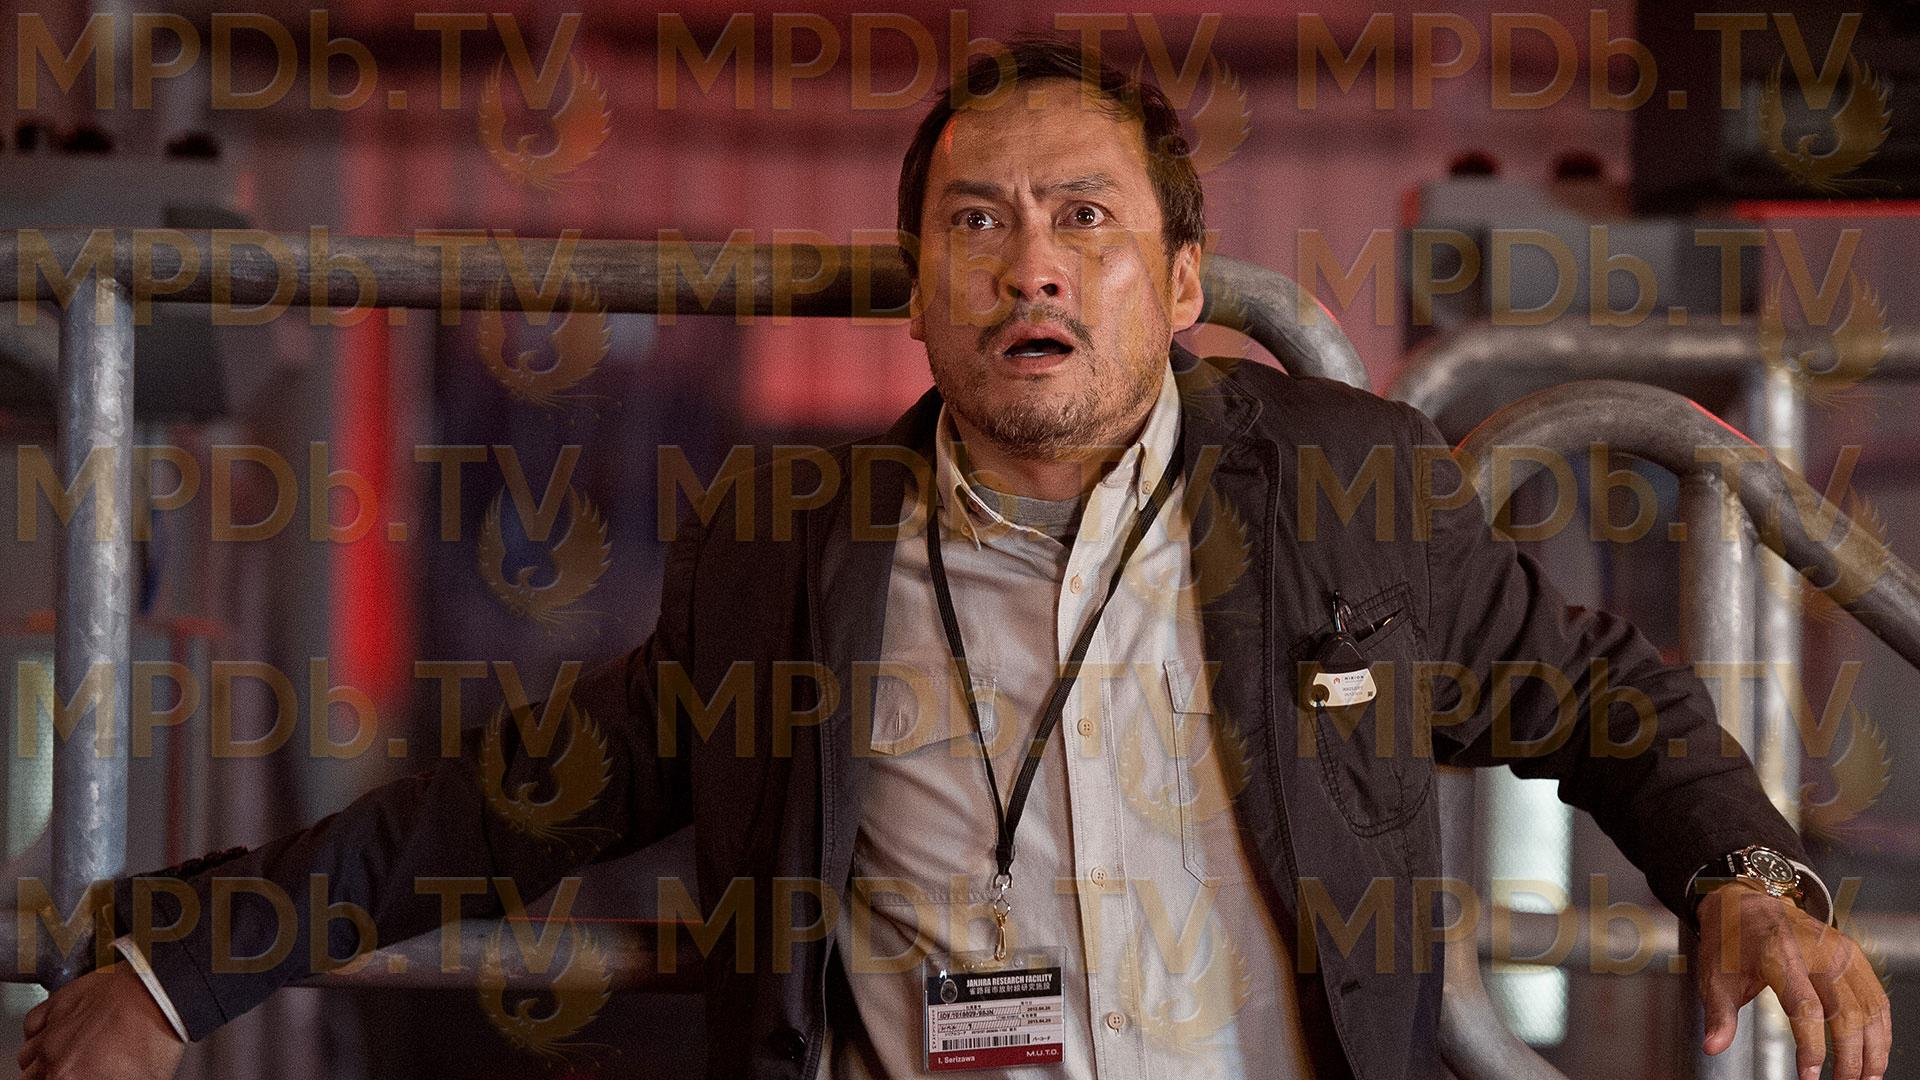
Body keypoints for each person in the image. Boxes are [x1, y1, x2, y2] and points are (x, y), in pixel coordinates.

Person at [21, 37, 1889, 1080]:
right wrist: (185, 973)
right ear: (917, 293)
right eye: (977, 224)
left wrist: (1746, 875)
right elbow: (506, 804)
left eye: (1084, 218)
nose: (1032, 263)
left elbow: (1603, 695)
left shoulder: (1348, 489)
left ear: (1178, 284)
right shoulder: (787, 555)